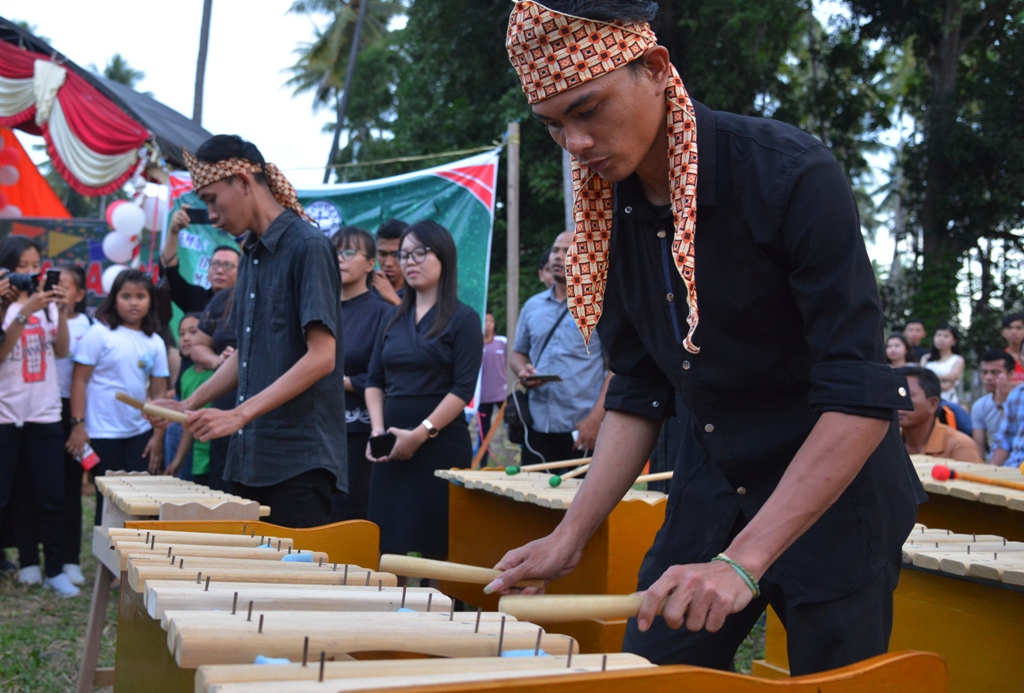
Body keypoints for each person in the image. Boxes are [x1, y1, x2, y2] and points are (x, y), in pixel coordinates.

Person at [491, 1, 923, 676]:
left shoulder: (791, 175)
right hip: (710, 487)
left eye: (588, 109)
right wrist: (570, 535)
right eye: (553, 126)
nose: (575, 144)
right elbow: (638, 391)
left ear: (656, 70)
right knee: (651, 677)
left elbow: (861, 394)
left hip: (835, 501)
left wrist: (743, 561)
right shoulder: (610, 215)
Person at [153, 134, 346, 529]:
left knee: (292, 588)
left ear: (243, 181)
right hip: (250, 457)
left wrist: (238, 414)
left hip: (299, 462)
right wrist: (191, 403)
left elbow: (322, 357)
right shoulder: (251, 253)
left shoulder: (307, 245)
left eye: (211, 199)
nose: (212, 214)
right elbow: (248, 353)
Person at [364, 220, 483, 559]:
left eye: (420, 253)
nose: (409, 261)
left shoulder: (464, 319)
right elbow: (374, 381)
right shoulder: (391, 319)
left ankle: (441, 611)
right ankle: (389, 611)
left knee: (438, 548)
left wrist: (421, 433)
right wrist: (378, 432)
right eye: (404, 255)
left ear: (444, 256)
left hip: (440, 443)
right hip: (390, 445)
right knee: (388, 548)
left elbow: (463, 388)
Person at [0, 237, 78, 597]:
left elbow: (62, 350)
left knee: (52, 497)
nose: (31, 273)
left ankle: (56, 568)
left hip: (45, 414)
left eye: (36, 266)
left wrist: (60, 312)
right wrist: (24, 310)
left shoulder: (47, 306)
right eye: (23, 267)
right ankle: (27, 561)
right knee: (10, 496)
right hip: (6, 414)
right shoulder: (5, 304)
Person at [68, 269, 169, 523]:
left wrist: (157, 436)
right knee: (108, 501)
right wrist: (78, 425)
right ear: (114, 299)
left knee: (139, 502)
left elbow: (158, 394)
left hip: (139, 433)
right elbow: (79, 381)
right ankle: (107, 560)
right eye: (126, 296)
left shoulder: (155, 341)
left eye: (140, 296)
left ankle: (133, 558)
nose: (133, 302)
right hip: (102, 431)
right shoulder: (99, 334)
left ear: (151, 301)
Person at [511, 230, 611, 464]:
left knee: (578, 500)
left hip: (581, 428)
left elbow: (616, 369)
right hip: (536, 425)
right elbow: (517, 353)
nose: (557, 256)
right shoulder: (532, 306)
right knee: (531, 497)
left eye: (567, 250)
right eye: (555, 250)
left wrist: (596, 421)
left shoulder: (599, 308)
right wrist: (523, 370)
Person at [332, 226, 391, 521]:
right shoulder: (318, 308)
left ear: (370, 264)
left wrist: (339, 382)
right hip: (315, 430)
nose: (339, 259)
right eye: (335, 252)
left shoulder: (382, 313)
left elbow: (385, 375)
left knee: (354, 512)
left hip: (359, 431)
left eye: (348, 252)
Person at [54, 264, 91, 585]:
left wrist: (81, 421)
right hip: (39, 409)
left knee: (70, 486)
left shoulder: (89, 327)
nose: (59, 289)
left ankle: (69, 558)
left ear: (80, 294)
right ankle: (35, 557)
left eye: (66, 285)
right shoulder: (35, 316)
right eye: (54, 283)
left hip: (72, 410)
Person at [159, 202, 241, 313]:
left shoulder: (248, 303)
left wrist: (239, 232)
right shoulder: (196, 298)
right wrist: (174, 231)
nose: (220, 271)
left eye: (228, 265)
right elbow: (168, 273)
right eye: (215, 264)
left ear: (241, 272)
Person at [164, 314, 214, 482]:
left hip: (215, 456)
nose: (186, 338)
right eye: (181, 333)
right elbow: (188, 421)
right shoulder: (186, 375)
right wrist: (178, 459)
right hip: (196, 459)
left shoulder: (219, 375)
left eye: (193, 332)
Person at [897, 366, 982, 463]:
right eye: (894, 396)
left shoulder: (959, 447)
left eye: (905, 396)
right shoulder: (887, 444)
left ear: (933, 404)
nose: (897, 403)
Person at [971, 350, 1016, 461]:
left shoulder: (1019, 400)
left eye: (995, 372)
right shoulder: (980, 406)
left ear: (1010, 374)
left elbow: (1011, 436)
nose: (988, 377)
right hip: (994, 464)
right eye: (984, 372)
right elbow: (979, 448)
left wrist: (1002, 403)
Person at [477, 312, 508, 454]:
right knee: (483, 430)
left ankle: (513, 455)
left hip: (502, 394)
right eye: (485, 321)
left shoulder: (502, 342)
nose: (488, 324)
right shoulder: (475, 344)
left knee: (511, 424)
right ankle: (482, 461)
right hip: (483, 395)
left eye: (491, 321)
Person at [920, 323, 965, 403]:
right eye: (938, 335)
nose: (941, 339)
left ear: (954, 341)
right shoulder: (925, 358)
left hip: (948, 402)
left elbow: (947, 386)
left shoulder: (958, 360)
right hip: (926, 401)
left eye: (946, 336)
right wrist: (946, 376)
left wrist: (928, 378)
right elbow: (920, 379)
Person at [372, 219, 409, 306]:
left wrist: (394, 299)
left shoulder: (421, 291)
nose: (388, 263)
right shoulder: (364, 288)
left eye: (396, 254)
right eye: (382, 254)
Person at [1001, 312, 1024, 384]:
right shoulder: (999, 358)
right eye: (1009, 328)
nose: (1013, 332)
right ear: (1003, 332)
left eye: (1019, 328)